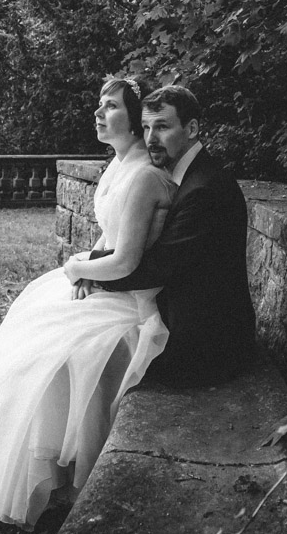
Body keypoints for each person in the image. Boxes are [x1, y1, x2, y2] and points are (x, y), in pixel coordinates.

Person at [0, 77, 175, 530]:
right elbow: (109, 241)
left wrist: (79, 271)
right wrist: (85, 267)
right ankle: (47, 470)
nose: (98, 113)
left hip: (132, 302)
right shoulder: (117, 165)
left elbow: (128, 260)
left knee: (59, 351)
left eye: (110, 106)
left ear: (134, 122)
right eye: (99, 104)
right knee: (27, 338)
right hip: (108, 286)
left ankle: (64, 476)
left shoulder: (145, 176)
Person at [89, 85, 256, 386]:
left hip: (205, 345)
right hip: (180, 319)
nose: (151, 138)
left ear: (191, 128)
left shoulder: (205, 189)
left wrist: (88, 269)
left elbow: (157, 267)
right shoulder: (183, 176)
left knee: (83, 354)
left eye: (162, 127)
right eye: (146, 127)